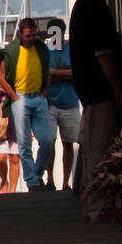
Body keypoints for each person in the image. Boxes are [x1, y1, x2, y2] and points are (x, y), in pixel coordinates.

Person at [69, 0, 122, 221]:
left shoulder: (82, 7)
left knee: (93, 149)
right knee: (100, 151)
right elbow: (102, 54)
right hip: (99, 91)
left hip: (89, 91)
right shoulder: (93, 7)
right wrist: (116, 87)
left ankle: (94, 204)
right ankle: (97, 207)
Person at [0, 17, 54, 192]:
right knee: (24, 143)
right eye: (28, 35)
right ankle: (32, 182)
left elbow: (47, 71)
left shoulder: (41, 49)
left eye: (34, 35)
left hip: (39, 97)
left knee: (48, 140)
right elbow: (1, 77)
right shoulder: (11, 51)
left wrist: (45, 92)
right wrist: (14, 96)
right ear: (20, 34)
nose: (31, 38)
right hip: (20, 99)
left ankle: (36, 173)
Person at [45, 17, 81, 191]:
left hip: (70, 102)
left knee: (69, 143)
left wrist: (55, 73)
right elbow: (44, 76)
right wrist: (61, 74)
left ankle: (66, 182)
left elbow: (77, 73)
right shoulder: (46, 51)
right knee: (49, 141)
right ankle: (50, 178)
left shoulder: (71, 50)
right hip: (50, 104)